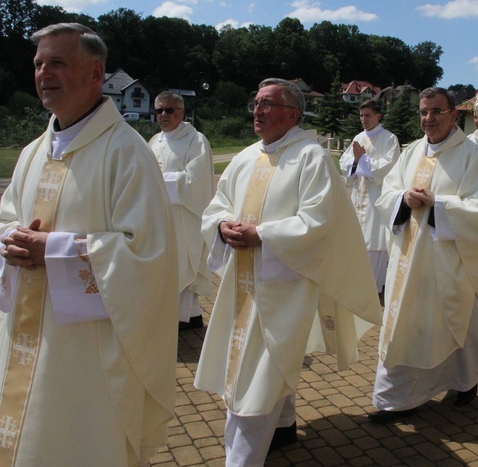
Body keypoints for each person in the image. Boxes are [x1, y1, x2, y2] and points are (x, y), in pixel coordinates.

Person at [0, 23, 178, 466]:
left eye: (58, 63)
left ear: (95, 74)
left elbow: (147, 256)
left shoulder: (127, 153)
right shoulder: (33, 152)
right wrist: (8, 238)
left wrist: (55, 249)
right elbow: (1, 220)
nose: (44, 72)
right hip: (26, 334)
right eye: (39, 64)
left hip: (85, 355)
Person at [193, 78, 382, 465]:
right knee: (260, 365)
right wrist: (222, 225)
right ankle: (284, 422)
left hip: (284, 286)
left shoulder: (310, 158)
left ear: (293, 114)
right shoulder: (246, 157)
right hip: (241, 285)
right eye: (256, 103)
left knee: (256, 379)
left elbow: (319, 222)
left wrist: (261, 234)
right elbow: (218, 204)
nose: (258, 111)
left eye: (268, 104)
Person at [368, 87, 478, 423]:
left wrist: (437, 204)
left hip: (448, 262)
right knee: (405, 327)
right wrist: (404, 198)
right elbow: (387, 193)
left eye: (436, 112)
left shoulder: (471, 154)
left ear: (453, 115)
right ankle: (399, 398)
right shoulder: (412, 150)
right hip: (407, 260)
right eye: (423, 112)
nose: (428, 119)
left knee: (453, 325)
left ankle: (464, 381)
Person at [148, 91, 215, 331]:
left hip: (184, 217)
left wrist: (156, 181)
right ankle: (184, 317)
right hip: (159, 218)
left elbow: (195, 183)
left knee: (182, 267)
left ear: (182, 112)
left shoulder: (196, 140)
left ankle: (185, 319)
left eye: (170, 110)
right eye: (159, 110)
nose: (164, 115)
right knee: (162, 269)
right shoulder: (155, 141)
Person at [339, 99, 400, 297]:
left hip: (376, 198)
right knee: (357, 240)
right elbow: (344, 162)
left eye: (368, 115)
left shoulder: (389, 139)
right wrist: (356, 162)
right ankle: (357, 284)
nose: (363, 119)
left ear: (378, 116)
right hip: (358, 195)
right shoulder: (358, 137)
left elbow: (389, 166)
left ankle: (375, 288)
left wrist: (362, 160)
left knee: (375, 241)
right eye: (361, 115)